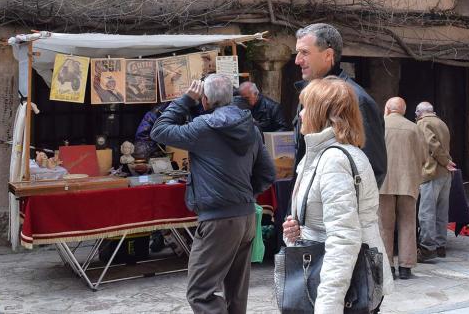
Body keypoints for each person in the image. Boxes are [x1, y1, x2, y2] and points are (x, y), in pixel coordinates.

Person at [151, 74, 276, 313]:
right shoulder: (250, 126)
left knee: (200, 292)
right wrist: (244, 193)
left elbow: (159, 131)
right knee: (236, 295)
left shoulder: (204, 127)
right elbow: (268, 173)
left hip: (219, 219)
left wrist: (185, 100)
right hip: (247, 216)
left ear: (205, 99)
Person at [281, 77, 393, 310]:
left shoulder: (334, 160)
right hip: (325, 279)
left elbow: (344, 237)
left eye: (306, 108)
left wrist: (328, 305)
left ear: (322, 113)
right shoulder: (316, 157)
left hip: (338, 290)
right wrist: (296, 232)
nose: (300, 115)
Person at [292, 23, 386, 186]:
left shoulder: (357, 100)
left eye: (305, 52)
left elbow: (372, 172)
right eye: (298, 52)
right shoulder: (308, 95)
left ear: (328, 55)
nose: (297, 60)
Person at [379, 97, 427, 279]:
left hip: (384, 182)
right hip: (408, 182)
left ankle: (387, 266)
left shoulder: (379, 125)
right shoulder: (413, 128)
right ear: (404, 110)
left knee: (384, 225)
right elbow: (423, 156)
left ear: (387, 108)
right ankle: (406, 267)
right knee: (408, 223)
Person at [416, 101, 456, 261]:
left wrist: (445, 161)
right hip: (445, 174)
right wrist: (447, 162)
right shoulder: (441, 122)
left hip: (431, 171)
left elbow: (433, 144)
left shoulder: (423, 123)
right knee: (441, 211)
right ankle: (440, 245)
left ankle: (427, 247)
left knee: (426, 212)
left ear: (419, 112)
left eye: (416, 114)